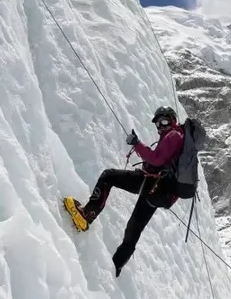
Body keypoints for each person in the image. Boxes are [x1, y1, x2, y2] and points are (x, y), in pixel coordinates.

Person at [63, 106, 184, 277]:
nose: (160, 126)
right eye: (157, 123)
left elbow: (156, 160)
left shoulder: (173, 136)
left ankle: (88, 214)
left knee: (109, 176)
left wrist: (136, 144)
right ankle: (116, 266)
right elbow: (159, 160)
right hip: (158, 191)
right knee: (134, 229)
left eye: (163, 121)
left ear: (172, 120)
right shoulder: (175, 137)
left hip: (150, 182)